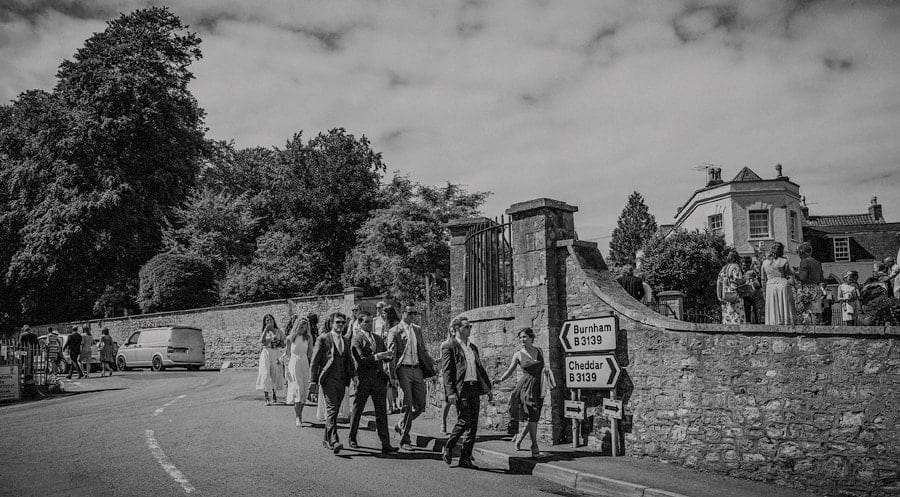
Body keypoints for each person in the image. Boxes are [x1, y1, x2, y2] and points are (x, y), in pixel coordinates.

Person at [494, 327, 556, 458]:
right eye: (520, 337)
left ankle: (520, 438)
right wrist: (500, 379)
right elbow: (510, 370)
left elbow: (543, 367)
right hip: (526, 387)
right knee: (532, 413)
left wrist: (546, 374)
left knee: (534, 416)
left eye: (524, 337)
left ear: (531, 338)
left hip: (539, 386)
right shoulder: (518, 354)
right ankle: (534, 446)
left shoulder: (539, 350)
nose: (522, 339)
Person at [440, 316, 492, 469]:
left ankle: (465, 458)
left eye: (470, 326)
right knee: (464, 420)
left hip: (473, 387)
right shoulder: (449, 346)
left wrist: (487, 389)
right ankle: (449, 446)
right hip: (460, 388)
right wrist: (450, 392)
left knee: (473, 424)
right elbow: (447, 372)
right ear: (457, 329)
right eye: (466, 327)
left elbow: (479, 369)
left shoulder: (473, 347)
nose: (469, 329)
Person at [387, 303, 437, 450]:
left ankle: (401, 424)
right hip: (403, 369)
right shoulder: (394, 331)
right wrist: (392, 376)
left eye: (415, 313)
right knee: (408, 404)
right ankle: (405, 440)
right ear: (403, 313)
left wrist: (432, 361)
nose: (413, 316)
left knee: (421, 406)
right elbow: (392, 354)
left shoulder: (417, 329)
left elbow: (423, 349)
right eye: (410, 313)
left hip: (417, 369)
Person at [348, 311, 398, 454]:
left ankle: (385, 443)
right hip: (364, 380)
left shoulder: (377, 338)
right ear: (360, 323)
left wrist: (388, 355)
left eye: (371, 321)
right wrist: (377, 356)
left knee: (381, 412)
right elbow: (361, 360)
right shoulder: (357, 339)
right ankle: (352, 437)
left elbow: (383, 357)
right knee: (358, 410)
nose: (370, 324)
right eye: (366, 322)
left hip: (378, 380)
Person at [308, 312, 355, 454]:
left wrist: (354, 376)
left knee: (333, 411)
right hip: (328, 379)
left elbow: (349, 361)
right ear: (331, 323)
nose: (341, 325)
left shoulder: (346, 340)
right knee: (332, 409)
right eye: (338, 322)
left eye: (342, 322)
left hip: (342, 380)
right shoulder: (324, 338)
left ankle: (326, 439)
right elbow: (315, 362)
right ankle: (334, 441)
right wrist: (313, 381)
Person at [281, 314, 313, 427]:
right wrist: (286, 370)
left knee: (304, 391)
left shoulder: (308, 338)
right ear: (297, 325)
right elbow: (287, 354)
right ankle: (297, 417)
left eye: (305, 327)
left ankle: (301, 414)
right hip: (294, 364)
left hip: (304, 363)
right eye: (301, 326)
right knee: (298, 390)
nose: (303, 329)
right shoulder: (290, 338)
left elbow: (311, 353)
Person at [761, 242, 797, 325]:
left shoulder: (765, 263)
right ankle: (785, 322)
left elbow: (763, 279)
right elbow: (790, 275)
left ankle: (773, 322)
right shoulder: (784, 261)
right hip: (782, 284)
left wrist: (764, 291)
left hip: (770, 285)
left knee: (773, 307)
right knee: (783, 306)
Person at [255, 314, 285, 406]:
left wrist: (278, 342)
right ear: (264, 322)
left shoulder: (278, 331)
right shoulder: (264, 332)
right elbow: (261, 341)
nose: (269, 322)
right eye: (267, 320)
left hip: (275, 353)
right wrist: (266, 330)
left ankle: (274, 392)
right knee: (265, 373)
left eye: (270, 320)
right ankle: (267, 397)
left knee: (275, 374)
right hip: (266, 353)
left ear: (273, 320)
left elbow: (283, 343)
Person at [796, 243, 825, 325]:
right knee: (816, 313)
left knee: (807, 313)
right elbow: (821, 278)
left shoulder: (804, 262)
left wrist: (795, 274)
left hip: (807, 289)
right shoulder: (817, 262)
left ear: (802, 252)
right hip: (816, 288)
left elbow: (803, 277)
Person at [716, 249, 746, 325]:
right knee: (737, 316)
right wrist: (745, 280)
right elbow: (737, 280)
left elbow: (719, 282)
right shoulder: (736, 267)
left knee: (727, 317)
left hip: (725, 295)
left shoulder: (724, 268)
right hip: (735, 294)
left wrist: (719, 296)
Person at [382, 305, 402, 414]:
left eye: (385, 313)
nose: (383, 315)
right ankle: (391, 405)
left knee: (394, 380)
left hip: (395, 356)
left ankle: (396, 404)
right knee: (388, 382)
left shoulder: (396, 325)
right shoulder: (385, 326)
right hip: (386, 356)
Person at [439, 326, 456, 435]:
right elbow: (442, 360)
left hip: (458, 374)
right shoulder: (445, 344)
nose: (454, 332)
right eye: (452, 330)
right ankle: (443, 423)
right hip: (448, 374)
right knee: (447, 401)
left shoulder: (461, 343)